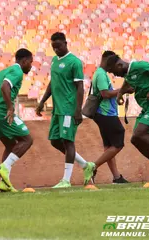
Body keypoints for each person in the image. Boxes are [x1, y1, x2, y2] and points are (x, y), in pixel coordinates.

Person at [36, 32, 95, 188]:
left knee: (68, 142)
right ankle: (85, 165)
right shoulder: (55, 60)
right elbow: (52, 82)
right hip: (57, 109)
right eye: (53, 47)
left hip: (69, 108)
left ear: (66, 43)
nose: (56, 50)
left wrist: (78, 110)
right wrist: (42, 101)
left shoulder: (74, 62)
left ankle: (66, 180)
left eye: (58, 46)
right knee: (55, 141)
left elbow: (80, 87)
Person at [106, 55, 149, 183]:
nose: (116, 76)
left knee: (139, 133)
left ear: (119, 65)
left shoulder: (139, 66)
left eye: (115, 73)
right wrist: (120, 93)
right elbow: (127, 82)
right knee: (135, 139)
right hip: (147, 108)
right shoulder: (128, 73)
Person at [0, 49, 33, 192]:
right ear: (24, 61)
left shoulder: (3, 72)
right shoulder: (17, 72)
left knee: (11, 145)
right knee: (27, 140)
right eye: (30, 63)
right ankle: (4, 167)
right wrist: (10, 108)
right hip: (1, 112)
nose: (31, 66)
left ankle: (4, 183)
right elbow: (4, 87)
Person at [91, 51, 131, 184]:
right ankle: (92, 167)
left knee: (109, 147)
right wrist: (122, 90)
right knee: (118, 143)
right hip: (106, 113)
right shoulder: (101, 74)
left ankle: (116, 177)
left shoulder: (100, 73)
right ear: (106, 59)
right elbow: (105, 93)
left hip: (103, 113)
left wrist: (118, 96)